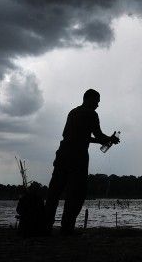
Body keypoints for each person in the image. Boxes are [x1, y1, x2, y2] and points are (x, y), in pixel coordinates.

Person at [45, 89, 119, 235]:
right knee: (76, 193)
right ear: (88, 99)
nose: (98, 104)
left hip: (62, 154)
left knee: (54, 191)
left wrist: (101, 140)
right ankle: (67, 228)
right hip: (77, 157)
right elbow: (97, 135)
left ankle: (46, 225)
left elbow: (70, 135)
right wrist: (109, 139)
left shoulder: (73, 112)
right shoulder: (91, 114)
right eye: (96, 101)